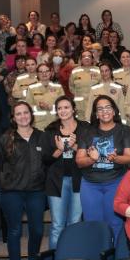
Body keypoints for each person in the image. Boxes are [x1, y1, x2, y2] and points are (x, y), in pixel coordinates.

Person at [0, 102, 52, 260]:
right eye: (18, 114)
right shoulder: (5, 139)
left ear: (31, 114)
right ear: (13, 118)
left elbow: (48, 163)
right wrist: (2, 190)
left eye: (25, 112)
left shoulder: (42, 137)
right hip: (12, 192)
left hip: (36, 191)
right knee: (15, 230)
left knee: (37, 229)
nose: (23, 116)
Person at [76, 95, 130, 236]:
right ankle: (96, 257)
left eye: (108, 107)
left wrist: (116, 158)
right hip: (90, 185)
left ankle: (115, 257)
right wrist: (92, 159)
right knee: (93, 224)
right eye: (100, 109)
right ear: (96, 114)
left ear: (114, 111)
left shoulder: (124, 130)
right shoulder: (86, 131)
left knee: (115, 223)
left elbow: (129, 157)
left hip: (115, 182)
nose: (105, 111)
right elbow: (79, 161)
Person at [45, 96, 89, 248]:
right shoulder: (50, 129)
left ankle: (72, 257)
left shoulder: (85, 128)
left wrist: (75, 146)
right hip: (57, 181)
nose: (63, 111)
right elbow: (45, 159)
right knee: (57, 224)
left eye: (66, 107)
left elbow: (91, 154)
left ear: (73, 109)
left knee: (75, 222)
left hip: (80, 180)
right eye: (59, 108)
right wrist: (60, 149)